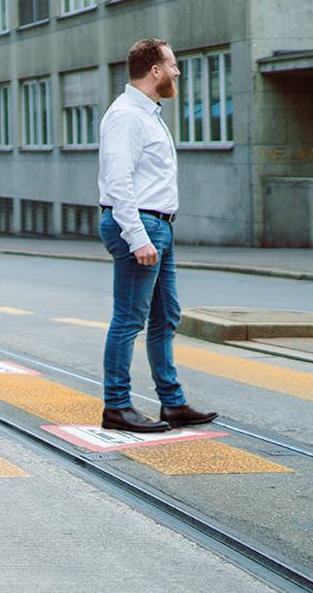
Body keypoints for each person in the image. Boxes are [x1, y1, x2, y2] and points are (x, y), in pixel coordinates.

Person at [97, 38, 218, 433]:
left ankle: (173, 403)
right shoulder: (127, 116)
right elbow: (118, 183)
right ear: (154, 70)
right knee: (128, 320)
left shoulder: (148, 113)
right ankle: (116, 406)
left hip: (157, 225)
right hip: (140, 226)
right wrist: (137, 237)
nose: (177, 72)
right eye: (173, 65)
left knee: (166, 317)